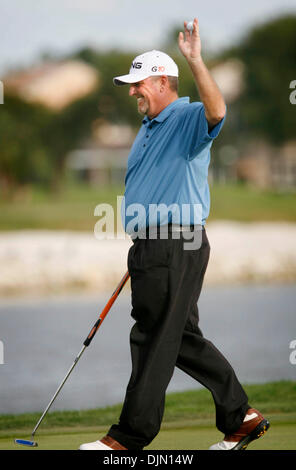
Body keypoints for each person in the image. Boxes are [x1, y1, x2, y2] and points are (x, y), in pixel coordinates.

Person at [80, 18, 270, 451]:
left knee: (151, 335)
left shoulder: (186, 117)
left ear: (163, 82)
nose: (132, 92)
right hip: (156, 246)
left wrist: (197, 61)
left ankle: (129, 436)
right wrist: (142, 243)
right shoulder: (148, 128)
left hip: (172, 243)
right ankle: (240, 416)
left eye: (139, 84)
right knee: (178, 336)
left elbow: (217, 109)